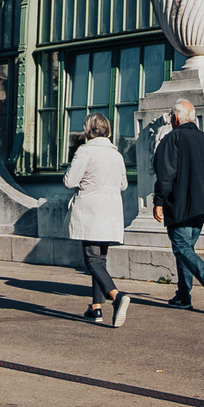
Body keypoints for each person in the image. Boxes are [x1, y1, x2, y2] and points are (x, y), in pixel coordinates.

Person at [152, 99, 204, 313]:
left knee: (181, 248)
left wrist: (159, 201)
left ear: (175, 118)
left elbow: (165, 175)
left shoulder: (172, 138)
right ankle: (183, 295)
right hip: (203, 207)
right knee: (186, 251)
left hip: (180, 205)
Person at [62, 114, 130, 326]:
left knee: (92, 260)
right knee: (100, 260)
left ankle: (117, 296)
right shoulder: (116, 154)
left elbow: (70, 182)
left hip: (91, 208)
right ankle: (96, 307)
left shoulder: (85, 150)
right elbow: (124, 185)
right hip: (111, 209)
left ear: (88, 131)